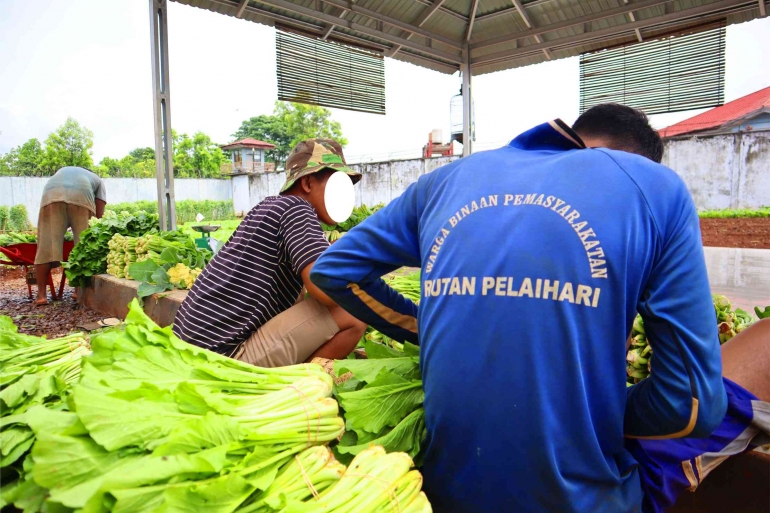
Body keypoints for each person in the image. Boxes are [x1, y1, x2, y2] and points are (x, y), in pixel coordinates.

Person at [310, 104, 769, 512]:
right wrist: (593, 407)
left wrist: (424, 326)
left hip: (443, 494)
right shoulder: (653, 187)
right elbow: (690, 402)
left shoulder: (445, 180)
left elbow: (334, 271)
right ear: (632, 159)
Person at [173, 139, 367, 368]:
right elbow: (326, 288)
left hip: (190, 347)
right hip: (221, 359)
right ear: (307, 182)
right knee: (355, 311)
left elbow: (300, 299)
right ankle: (298, 386)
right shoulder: (298, 210)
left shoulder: (268, 208)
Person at [35, 166, 107, 306]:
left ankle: (41, 296)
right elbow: (99, 217)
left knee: (45, 246)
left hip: (51, 194)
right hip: (82, 195)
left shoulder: (63, 171)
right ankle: (77, 292)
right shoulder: (97, 180)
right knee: (84, 246)